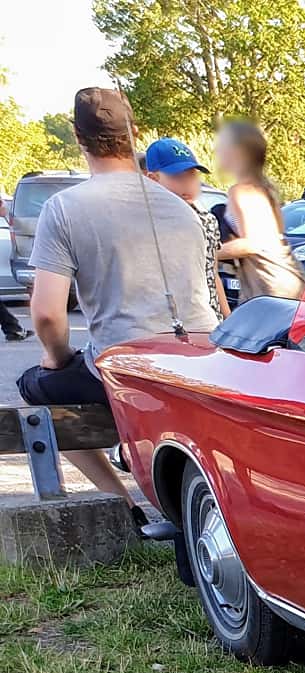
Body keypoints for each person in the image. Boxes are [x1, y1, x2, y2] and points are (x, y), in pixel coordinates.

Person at [18, 88, 219, 511]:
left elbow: (48, 314)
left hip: (127, 362)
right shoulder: (184, 209)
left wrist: (56, 357)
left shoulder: (64, 208)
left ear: (77, 136)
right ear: (135, 132)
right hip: (203, 356)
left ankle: (121, 505)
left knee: (35, 387)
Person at [213, 120, 303, 302]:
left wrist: (207, 254)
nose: (216, 151)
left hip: (271, 284)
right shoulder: (265, 188)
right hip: (283, 280)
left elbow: (254, 243)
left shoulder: (242, 191)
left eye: (221, 145)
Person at [142, 137, 227, 319]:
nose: (187, 184)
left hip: (207, 319)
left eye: (192, 175)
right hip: (165, 322)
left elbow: (211, 272)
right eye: (177, 177)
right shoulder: (144, 222)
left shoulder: (207, 220)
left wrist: (228, 319)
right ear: (153, 179)